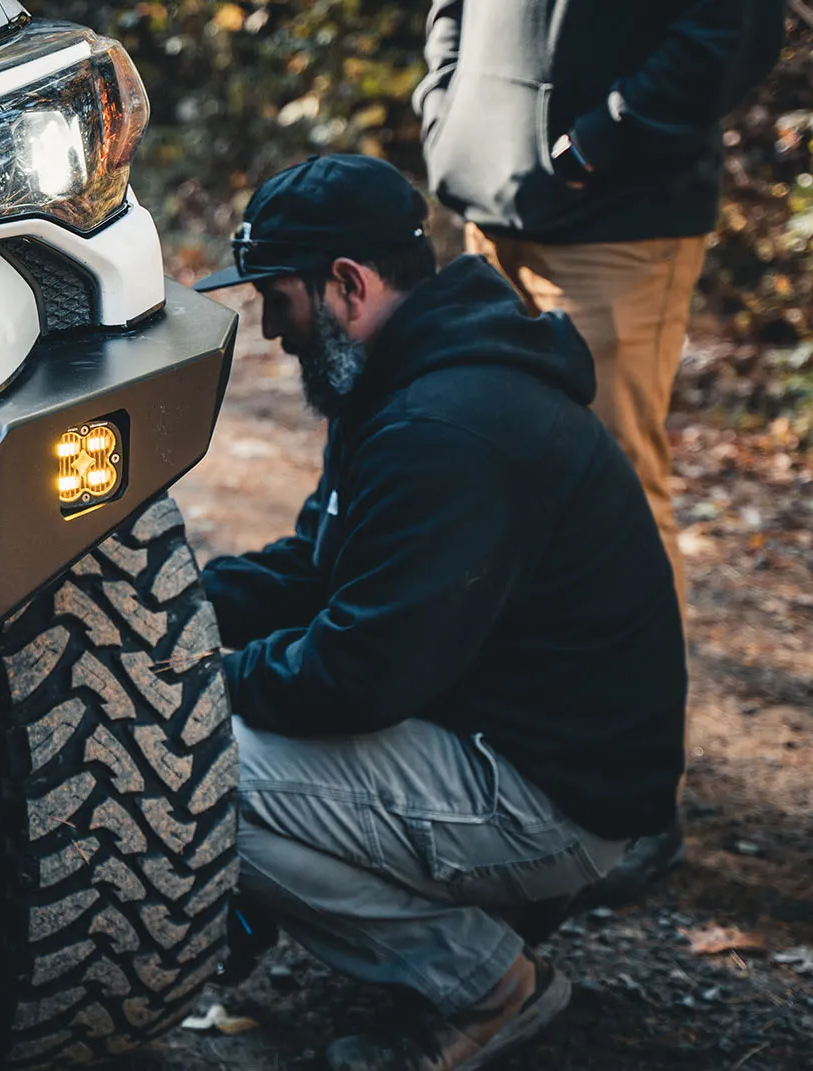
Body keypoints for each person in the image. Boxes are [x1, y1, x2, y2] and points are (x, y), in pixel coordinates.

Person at [193, 154, 686, 1071]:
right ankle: (447, 919)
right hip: (504, 734)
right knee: (212, 722)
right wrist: (177, 613)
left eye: (277, 297)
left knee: (197, 766)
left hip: (557, 796)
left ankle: (488, 987)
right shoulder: (397, 382)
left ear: (347, 284)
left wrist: (192, 685)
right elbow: (316, 565)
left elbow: (358, 674)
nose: (270, 328)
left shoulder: (447, 427)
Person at [414, 0, 786, 900]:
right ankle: (508, 746)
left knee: (615, 488)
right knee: (487, 471)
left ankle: (632, 793)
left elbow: (730, 30)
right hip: (488, 198)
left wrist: (598, 142)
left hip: (620, 217)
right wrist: (445, 111)